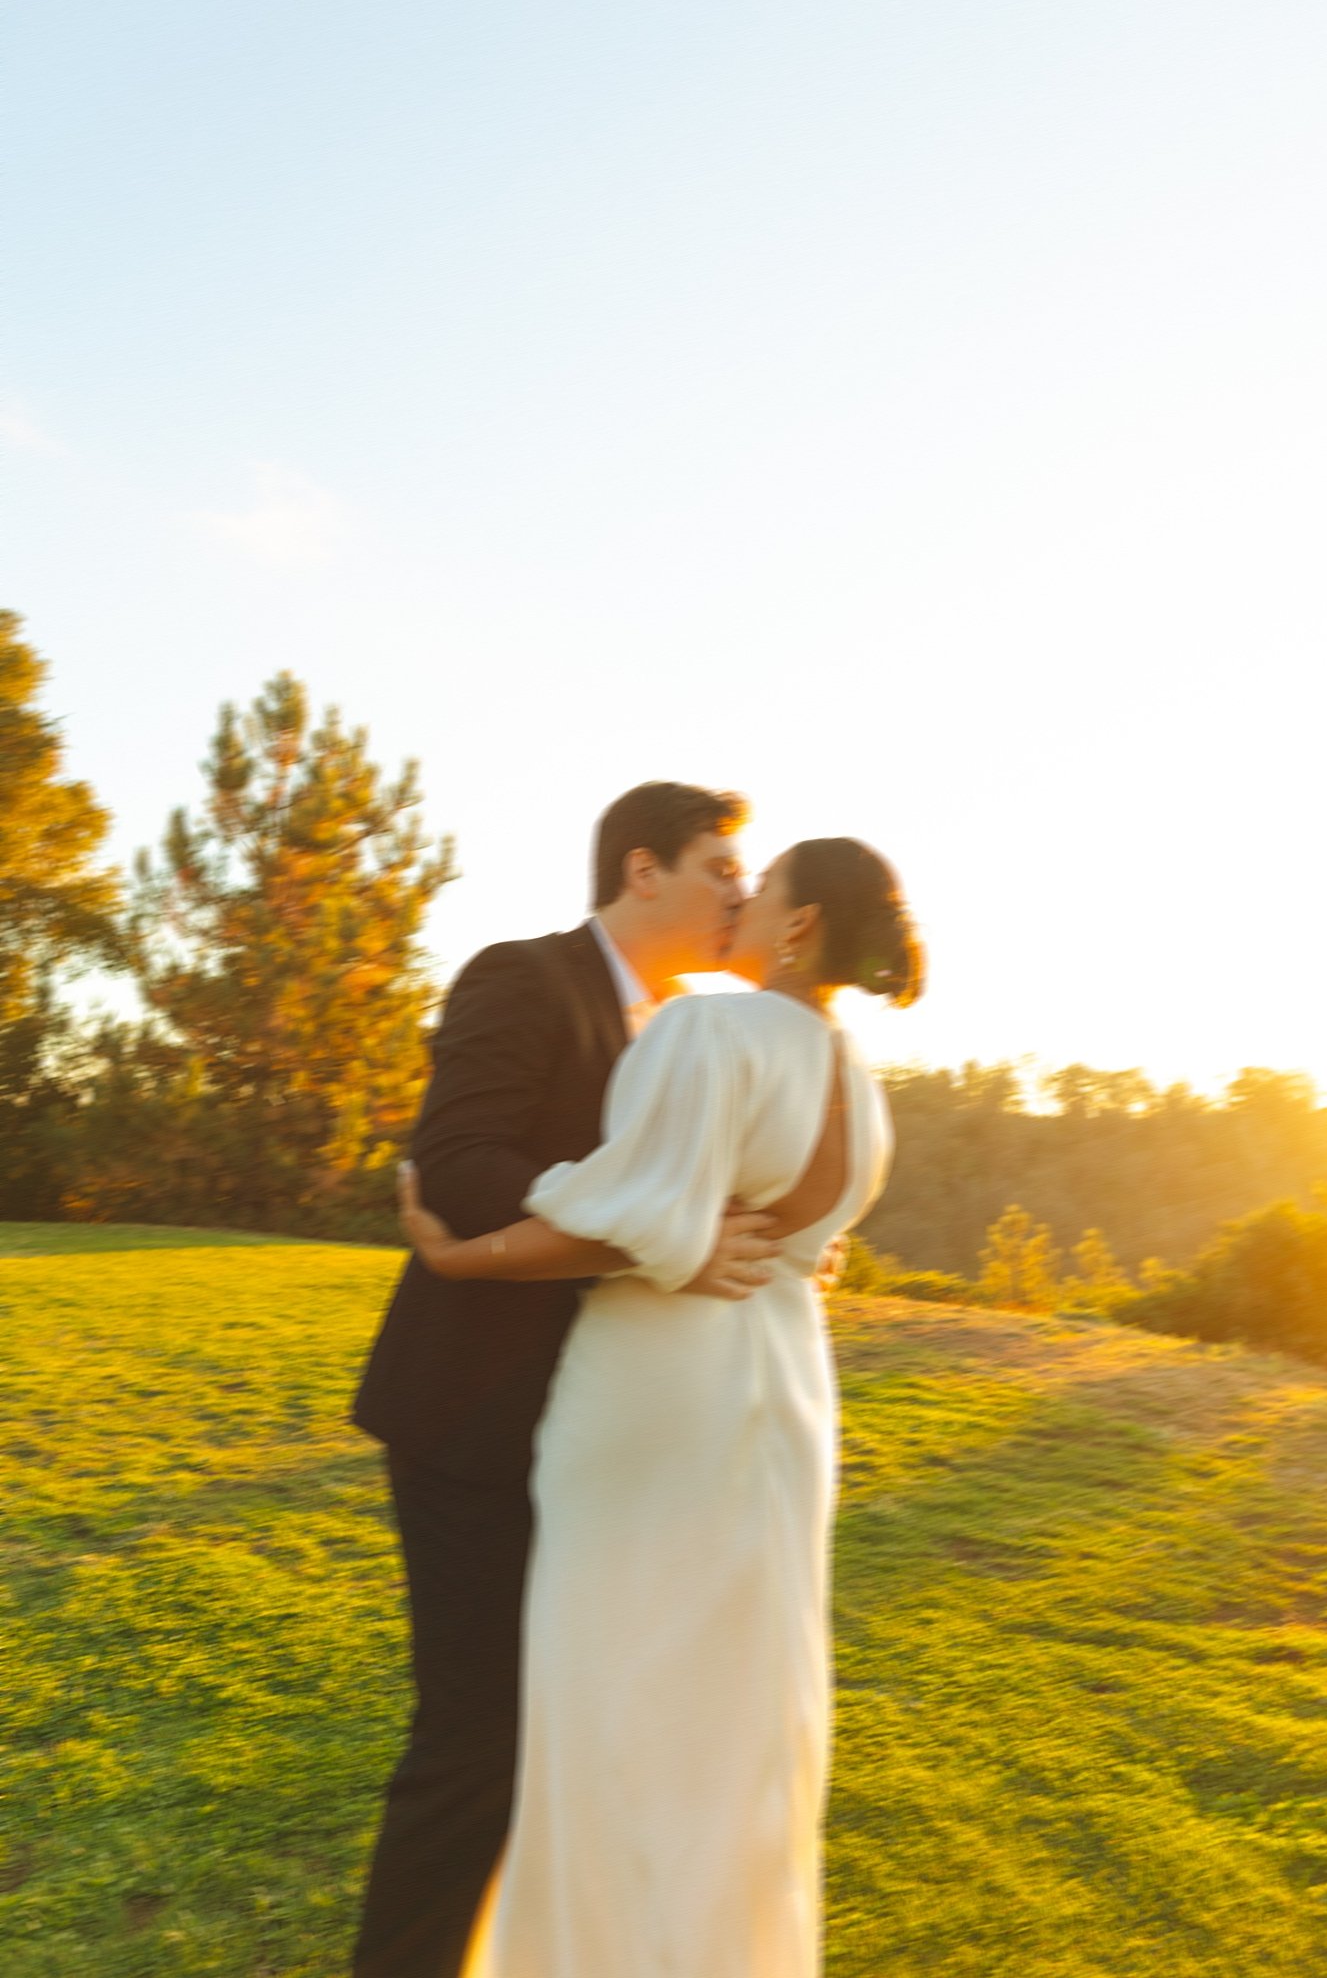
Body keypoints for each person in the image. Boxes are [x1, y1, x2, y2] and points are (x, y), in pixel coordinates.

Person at [398, 837, 924, 1978]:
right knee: (733, 1715)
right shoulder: (859, 1077)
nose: (742, 894)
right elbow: (787, 1230)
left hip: (661, 1390)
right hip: (787, 1392)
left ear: (798, 925)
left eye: (764, 882)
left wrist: (462, 1246)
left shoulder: (710, 1027)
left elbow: (628, 1211)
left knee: (609, 1701)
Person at [351, 782, 778, 1978]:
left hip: (604, 1435)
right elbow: (463, 1168)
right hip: (471, 1417)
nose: (739, 892)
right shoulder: (524, 975)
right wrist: (669, 1237)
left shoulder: (686, 1032)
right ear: (643, 871)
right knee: (477, 1739)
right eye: (719, 867)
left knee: (572, 1730)